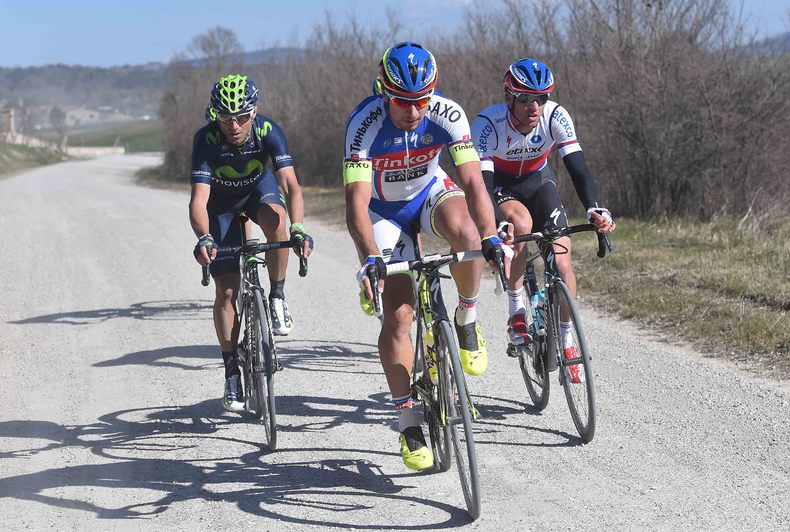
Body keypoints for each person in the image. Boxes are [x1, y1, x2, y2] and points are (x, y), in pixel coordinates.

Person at [343, 42, 504, 470]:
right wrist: (370, 257)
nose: (414, 110)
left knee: (468, 232)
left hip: (429, 192)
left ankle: (466, 316)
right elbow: (356, 204)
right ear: (384, 92)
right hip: (383, 210)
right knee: (399, 316)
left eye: (422, 99)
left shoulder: (448, 114)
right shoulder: (364, 123)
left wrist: (490, 236)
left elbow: (474, 183)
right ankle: (408, 420)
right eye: (403, 101)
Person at [471, 58, 615, 381]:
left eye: (541, 97)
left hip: (539, 182)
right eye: (525, 98)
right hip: (502, 188)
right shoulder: (488, 124)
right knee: (520, 226)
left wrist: (594, 209)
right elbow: (483, 184)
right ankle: (516, 313)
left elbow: (579, 169)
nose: (534, 106)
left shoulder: (555, 116)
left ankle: (567, 342)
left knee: (563, 264)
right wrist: (496, 225)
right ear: (508, 97)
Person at [190, 74, 313, 411]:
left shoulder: (268, 131)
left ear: (254, 112)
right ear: (216, 116)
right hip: (221, 206)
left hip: (259, 191)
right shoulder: (206, 140)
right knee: (227, 291)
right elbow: (198, 201)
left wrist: (298, 227)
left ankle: (277, 296)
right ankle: (231, 371)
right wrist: (204, 237)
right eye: (225, 118)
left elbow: (291, 185)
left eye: (242, 117)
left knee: (277, 222)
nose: (234, 126)